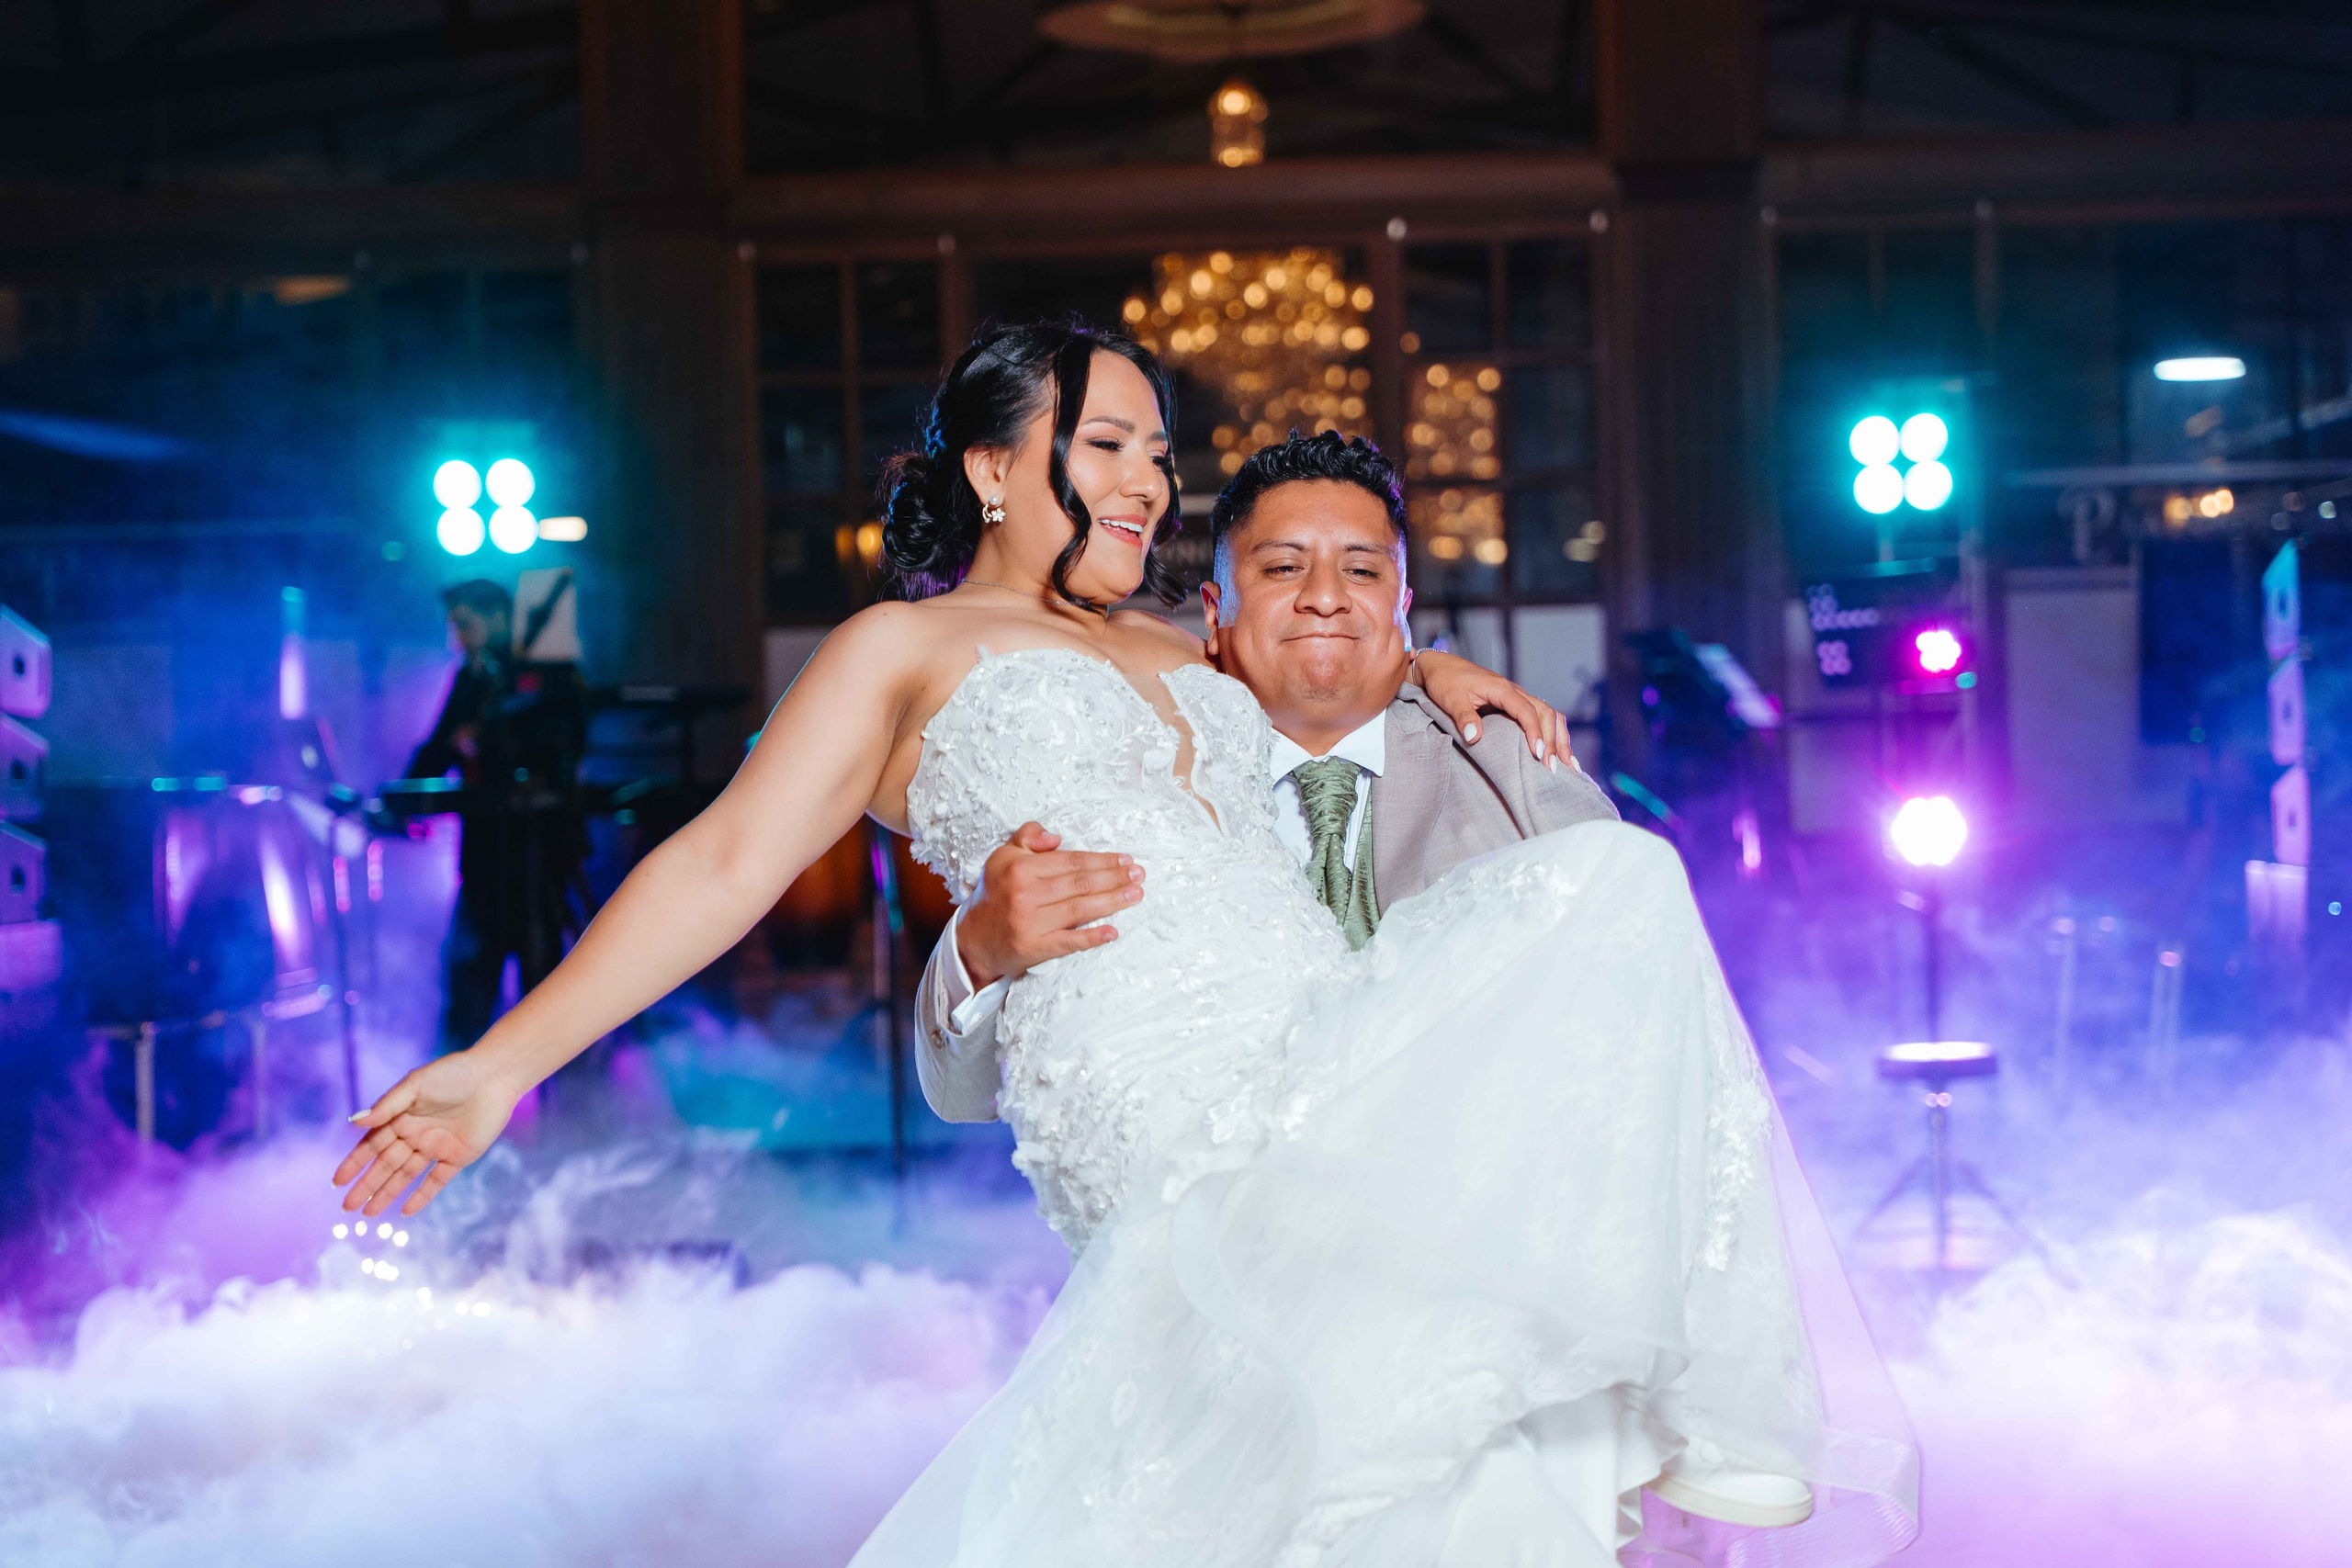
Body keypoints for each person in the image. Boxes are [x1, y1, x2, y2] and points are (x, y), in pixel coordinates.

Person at [335, 321, 1917, 1567]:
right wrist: (500, 1060)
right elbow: (727, 858)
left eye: (1161, 453)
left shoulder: (1179, 639)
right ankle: (1702, 1404)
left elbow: (1321, 632)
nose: (1153, 484)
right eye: (1110, 446)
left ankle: (1703, 1400)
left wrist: (1430, 665)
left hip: (1325, 1051)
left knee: (1449, 1433)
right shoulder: (905, 645)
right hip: (1158, 1104)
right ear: (999, 469)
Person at [911, 430, 1620, 1128]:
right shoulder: (1144, 789)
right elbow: (965, 1096)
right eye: (1283, 568)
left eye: (1363, 571)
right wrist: (973, 954)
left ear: (1402, 608)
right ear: (1215, 615)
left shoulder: (1509, 758)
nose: (1325, 597)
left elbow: (1635, 1016)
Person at [404, 579, 585, 1053]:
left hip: (539, 857)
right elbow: (438, 745)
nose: (456, 638)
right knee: (468, 986)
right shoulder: (470, 677)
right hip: (484, 858)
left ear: (499, 618)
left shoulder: (548, 672)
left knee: (545, 988)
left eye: (464, 624)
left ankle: (571, 1107)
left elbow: (564, 746)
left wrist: (486, 739)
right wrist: (400, 797)